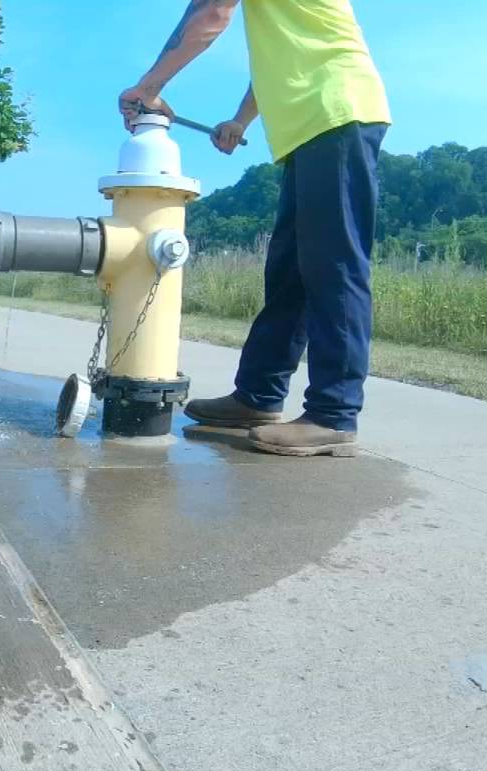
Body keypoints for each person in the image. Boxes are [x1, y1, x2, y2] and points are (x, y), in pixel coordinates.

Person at [118, 0, 390, 457]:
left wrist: (149, 86)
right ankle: (257, 398)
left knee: (334, 266)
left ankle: (334, 415)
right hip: (311, 124)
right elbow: (278, 61)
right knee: (289, 273)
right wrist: (240, 120)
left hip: (337, 111)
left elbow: (209, 17)